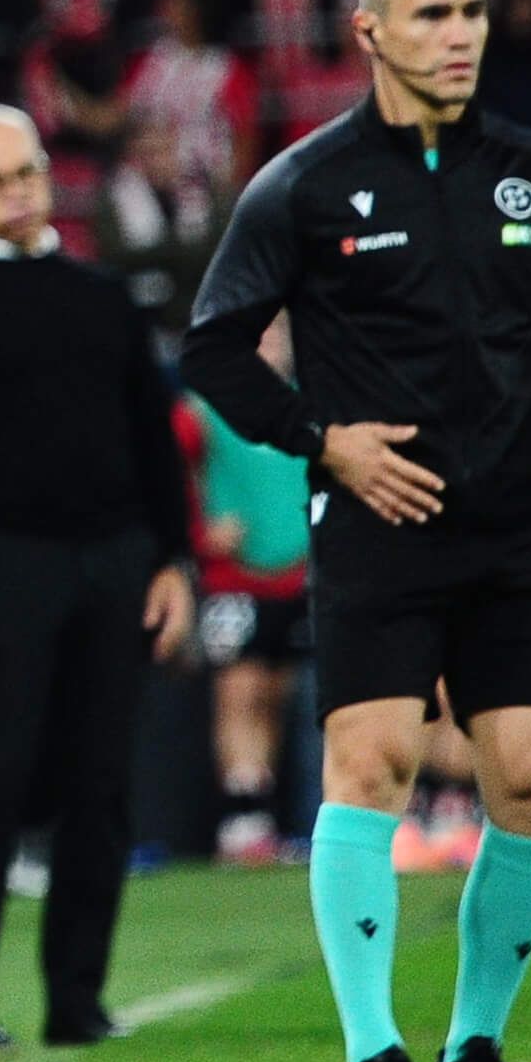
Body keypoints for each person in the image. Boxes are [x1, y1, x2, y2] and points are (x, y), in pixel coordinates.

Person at [180, 0, 531, 1062]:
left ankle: (472, 1050)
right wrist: (322, 440)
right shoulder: (300, 183)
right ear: (369, 33)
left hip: (513, 521)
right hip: (374, 522)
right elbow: (209, 346)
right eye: (430, 16)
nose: (458, 36)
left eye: (470, 13)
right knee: (371, 768)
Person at [0, 104, 195, 1053]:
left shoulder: (104, 297)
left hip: (114, 563)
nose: (17, 191)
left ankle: (77, 999)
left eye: (26, 171)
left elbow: (156, 444)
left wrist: (174, 561)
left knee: (101, 785)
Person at [172, 317, 311, 865]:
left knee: (279, 693)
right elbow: (158, 471)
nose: (270, 343)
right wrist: (196, 534)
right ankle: (240, 815)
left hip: (299, 572)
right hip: (234, 577)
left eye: (278, 333)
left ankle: (259, 810)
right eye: (260, 334)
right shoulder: (204, 407)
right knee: (240, 690)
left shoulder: (308, 404)